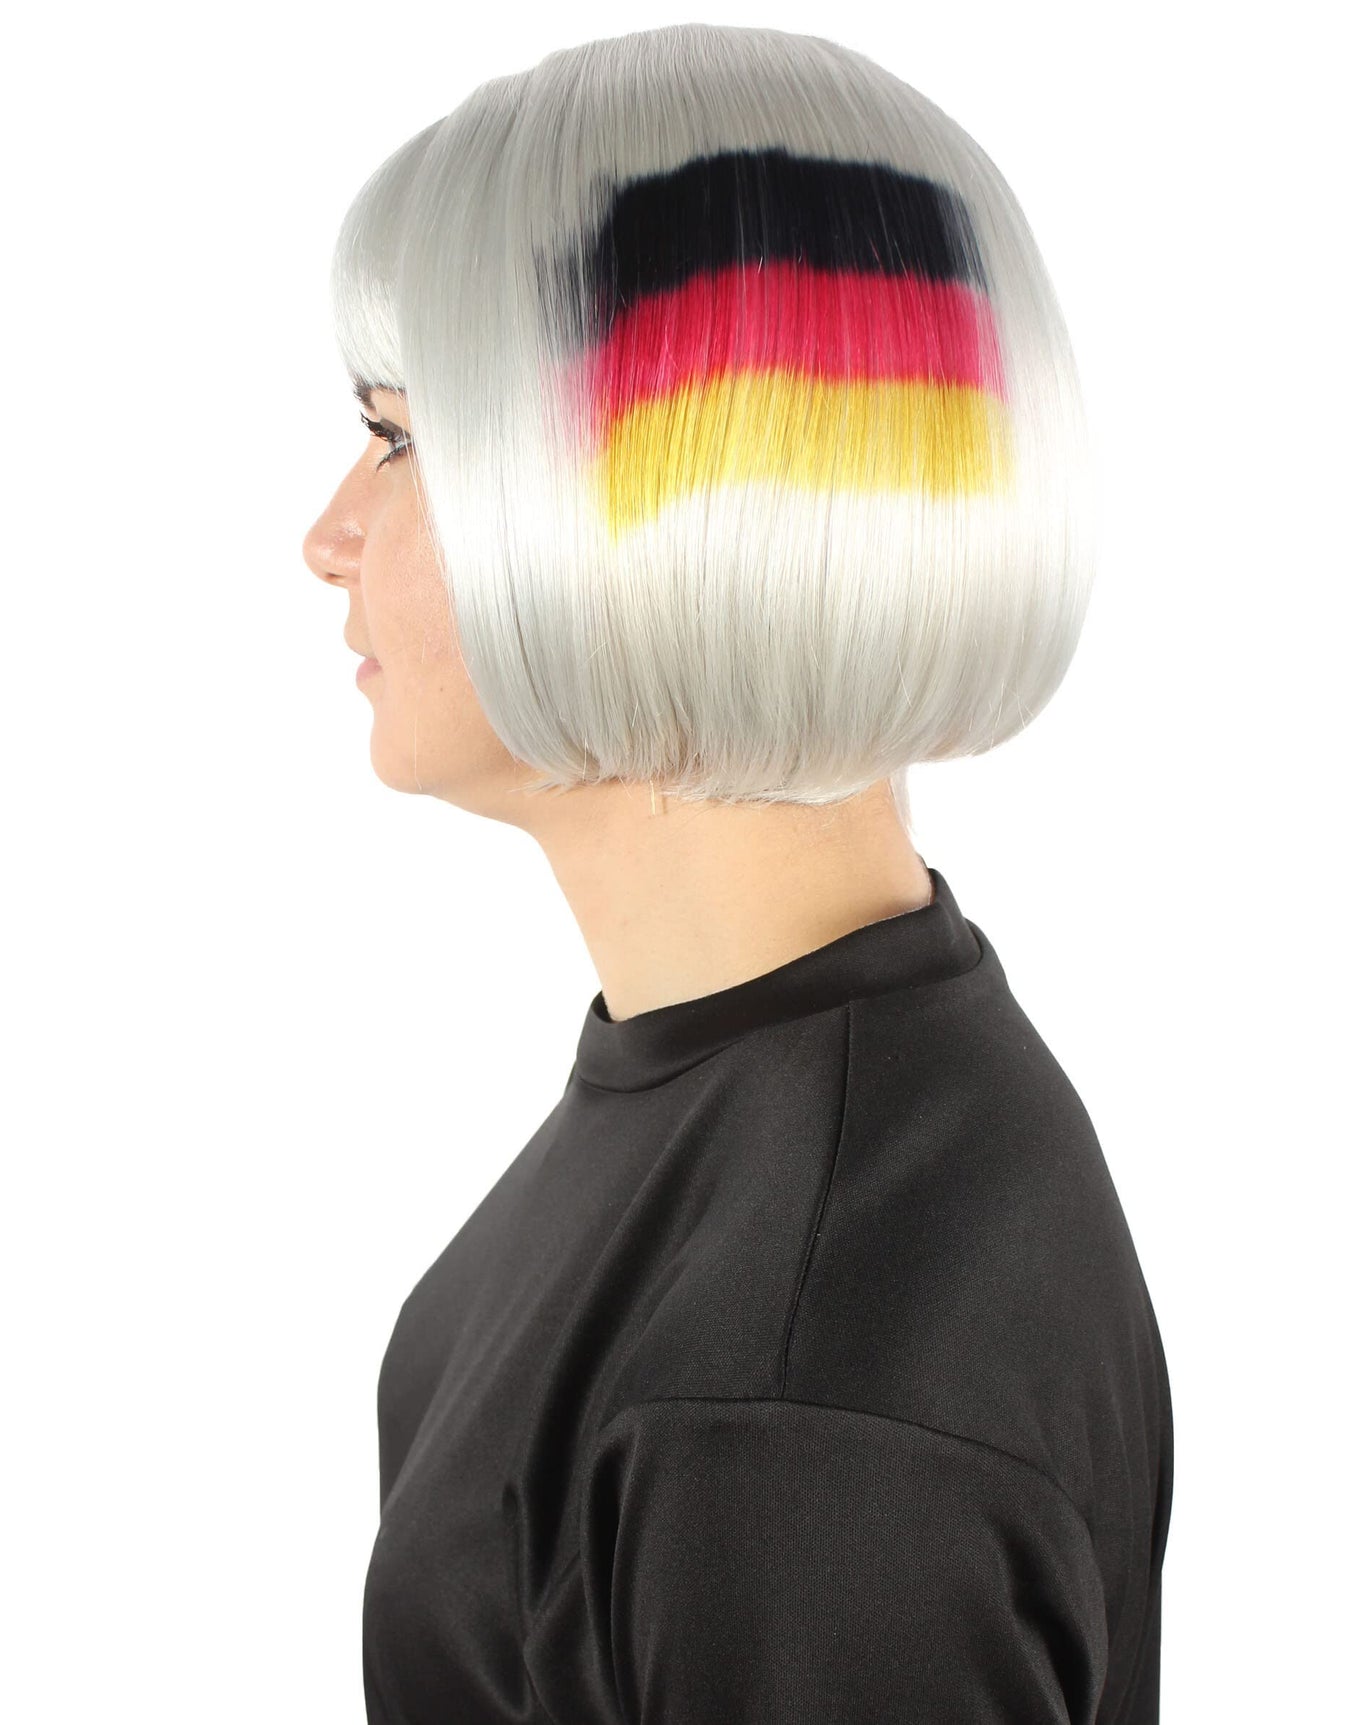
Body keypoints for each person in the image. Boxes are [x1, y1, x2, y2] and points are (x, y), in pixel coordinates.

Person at [302, 23, 1171, 1724]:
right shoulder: (811, 1075)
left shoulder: (797, 1410)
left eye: (398, 440)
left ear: (654, 503)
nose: (327, 532)